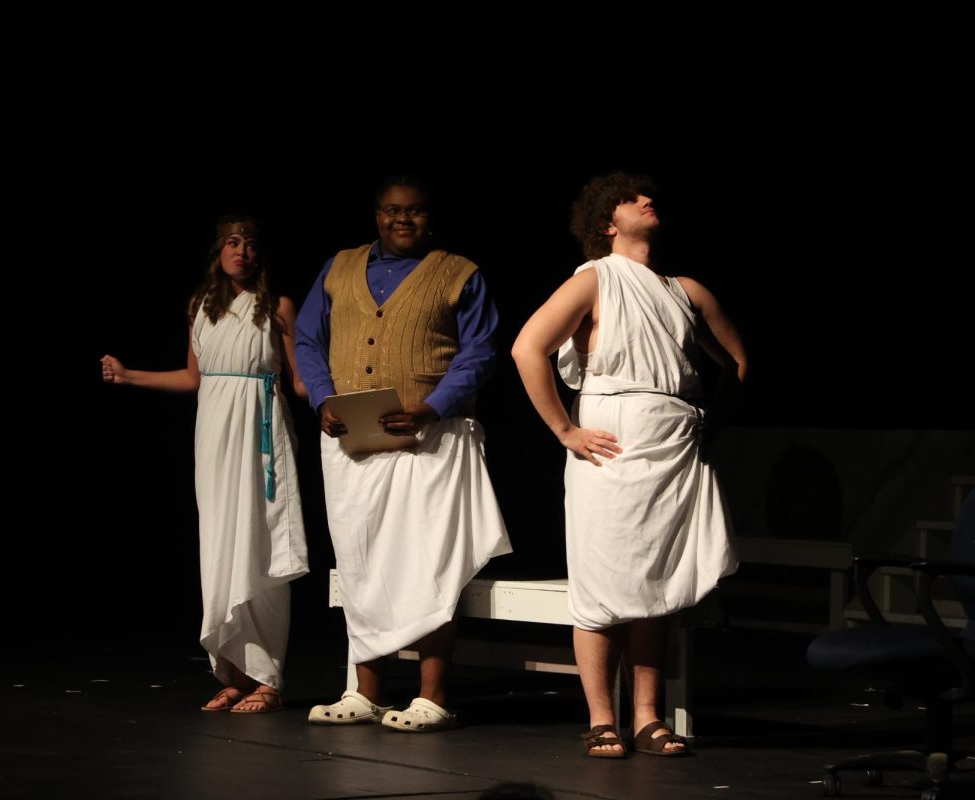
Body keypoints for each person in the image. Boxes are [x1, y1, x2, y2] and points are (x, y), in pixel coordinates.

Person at [511, 172, 747, 757]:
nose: (649, 199)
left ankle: (647, 715)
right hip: (611, 443)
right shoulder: (595, 279)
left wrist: (705, 425)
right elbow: (527, 347)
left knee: (656, 584)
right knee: (602, 582)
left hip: (672, 445)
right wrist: (564, 430)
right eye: (632, 199)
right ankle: (600, 717)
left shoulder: (685, 290)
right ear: (607, 224)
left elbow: (735, 362)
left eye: (649, 196)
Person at [295, 174, 511, 733]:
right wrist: (321, 397)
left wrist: (432, 405)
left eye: (414, 212)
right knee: (361, 561)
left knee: (426, 564)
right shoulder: (339, 267)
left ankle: (431, 695)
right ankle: (366, 691)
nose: (402, 220)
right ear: (376, 215)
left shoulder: (458, 272)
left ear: (429, 218)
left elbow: (481, 350)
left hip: (429, 440)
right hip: (354, 442)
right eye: (392, 211)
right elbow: (307, 340)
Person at [101, 214, 309, 713]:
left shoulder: (277, 307)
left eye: (251, 244)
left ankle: (269, 677)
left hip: (261, 436)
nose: (242, 251)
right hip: (214, 434)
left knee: (258, 546)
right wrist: (130, 376)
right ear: (218, 251)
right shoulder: (199, 306)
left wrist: (337, 400)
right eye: (233, 243)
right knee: (220, 546)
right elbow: (195, 379)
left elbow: (300, 380)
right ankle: (236, 674)